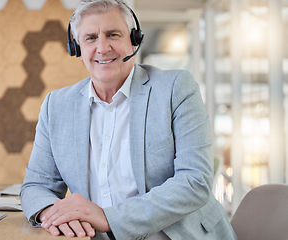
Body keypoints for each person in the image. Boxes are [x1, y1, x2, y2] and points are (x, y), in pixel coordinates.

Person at [20, 0, 237, 239]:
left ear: (134, 40)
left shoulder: (176, 89)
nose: (102, 48)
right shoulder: (57, 105)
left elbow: (195, 182)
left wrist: (109, 218)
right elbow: (36, 186)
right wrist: (52, 213)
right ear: (77, 49)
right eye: (90, 38)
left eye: (113, 34)